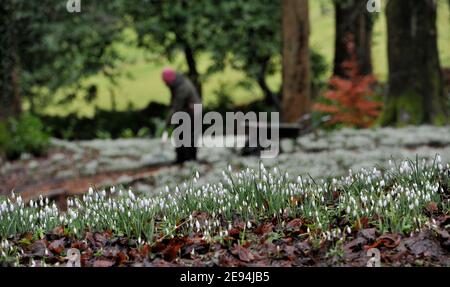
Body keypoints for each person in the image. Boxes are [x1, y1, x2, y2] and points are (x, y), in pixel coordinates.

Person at [161, 68, 201, 163]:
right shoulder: (176, 84)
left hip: (193, 112)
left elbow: (176, 107)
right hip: (185, 111)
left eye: (166, 82)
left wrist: (168, 122)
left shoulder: (182, 87)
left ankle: (190, 159)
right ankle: (182, 158)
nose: (165, 85)